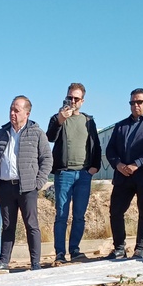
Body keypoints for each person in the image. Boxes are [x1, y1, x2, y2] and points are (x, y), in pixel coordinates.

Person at [0, 96, 53, 272]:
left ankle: (35, 263)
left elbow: (47, 159)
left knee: (31, 225)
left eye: (16, 110)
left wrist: (38, 182)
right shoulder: (2, 133)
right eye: (11, 109)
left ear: (27, 113)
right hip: (5, 186)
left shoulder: (37, 133)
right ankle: (3, 261)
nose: (12, 113)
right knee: (8, 226)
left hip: (27, 188)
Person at [105, 88, 143, 259]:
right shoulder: (120, 126)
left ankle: (140, 248)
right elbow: (110, 149)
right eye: (132, 102)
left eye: (139, 102)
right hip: (122, 176)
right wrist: (118, 164)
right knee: (116, 211)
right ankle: (119, 248)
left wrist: (137, 164)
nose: (135, 105)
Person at [46, 83, 102, 263]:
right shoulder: (57, 118)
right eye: (70, 97)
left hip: (84, 175)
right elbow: (50, 137)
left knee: (79, 214)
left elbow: (96, 144)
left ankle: (75, 250)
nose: (72, 101)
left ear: (82, 101)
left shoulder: (88, 121)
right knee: (61, 214)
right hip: (64, 173)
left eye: (76, 98)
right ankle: (60, 253)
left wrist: (95, 167)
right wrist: (60, 120)